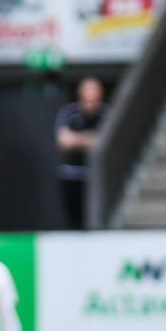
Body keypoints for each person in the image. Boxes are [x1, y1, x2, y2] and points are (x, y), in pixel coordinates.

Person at [55, 76, 109, 229]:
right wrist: (89, 138)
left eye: (94, 89)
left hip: (96, 176)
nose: (90, 93)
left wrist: (78, 139)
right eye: (87, 89)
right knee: (73, 216)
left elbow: (106, 139)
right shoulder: (70, 112)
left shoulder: (106, 113)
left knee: (95, 217)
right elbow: (64, 140)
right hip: (71, 174)